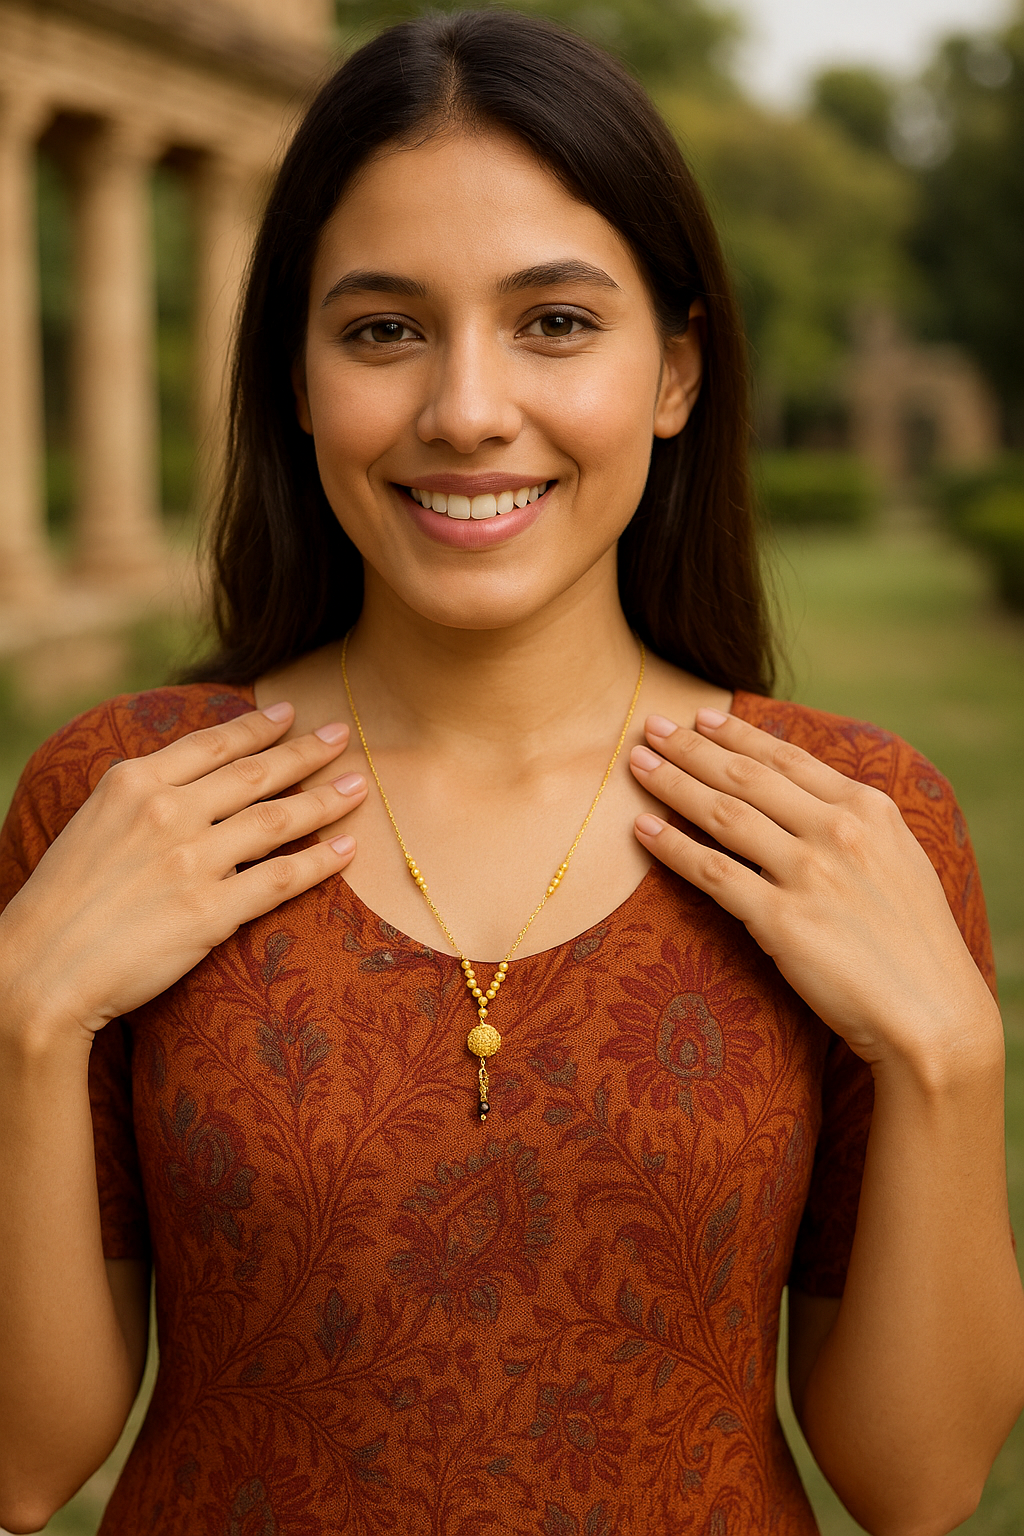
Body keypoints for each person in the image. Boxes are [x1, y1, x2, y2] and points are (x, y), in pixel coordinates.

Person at [0, 10, 1021, 1534]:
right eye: (383, 328)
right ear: (294, 377)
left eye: (555, 322)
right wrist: (23, 1019)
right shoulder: (127, 796)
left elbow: (919, 1488)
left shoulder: (851, 822)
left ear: (677, 373)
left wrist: (948, 1063)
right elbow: (23, 1469)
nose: (467, 408)